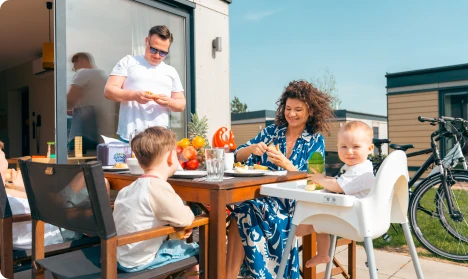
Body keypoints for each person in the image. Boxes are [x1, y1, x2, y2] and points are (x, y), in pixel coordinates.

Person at [226, 80, 335, 279]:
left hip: (297, 203)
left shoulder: (315, 140)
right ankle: (229, 276)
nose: (291, 114)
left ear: (310, 111)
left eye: (298, 109)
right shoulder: (271, 132)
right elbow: (235, 156)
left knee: (244, 211)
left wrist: (288, 166)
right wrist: (252, 149)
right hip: (266, 198)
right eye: (288, 108)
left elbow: (315, 181)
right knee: (242, 210)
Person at [113, 127, 198, 277]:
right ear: (171, 157)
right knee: (196, 250)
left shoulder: (126, 190)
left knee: (172, 245)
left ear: (139, 163)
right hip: (141, 262)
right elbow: (185, 218)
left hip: (120, 258)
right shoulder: (158, 187)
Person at [295, 121, 375, 268]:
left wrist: (320, 179)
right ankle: (322, 252)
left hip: (354, 222)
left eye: (356, 146)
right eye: (344, 146)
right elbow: (341, 181)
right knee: (320, 215)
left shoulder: (359, 171)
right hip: (358, 217)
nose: (349, 151)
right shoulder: (359, 167)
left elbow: (338, 187)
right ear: (338, 147)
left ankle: (311, 231)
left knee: (317, 218)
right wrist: (326, 180)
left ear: (370, 149)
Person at [104, 25, 186, 142]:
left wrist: (169, 102)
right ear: (146, 41)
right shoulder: (129, 61)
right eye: (153, 49)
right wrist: (134, 96)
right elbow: (109, 91)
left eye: (163, 53)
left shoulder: (171, 71)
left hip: (160, 140)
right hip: (130, 137)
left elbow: (181, 104)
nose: (157, 55)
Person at [0, 142, 79, 249]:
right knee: (85, 180)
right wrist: (27, 186)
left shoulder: (5, 195)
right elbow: (55, 205)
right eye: (4, 158)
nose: (7, 162)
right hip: (58, 233)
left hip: (57, 223)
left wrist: (21, 187)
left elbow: (29, 198)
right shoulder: (6, 201)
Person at [67, 52, 117, 146]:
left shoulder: (84, 73)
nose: (73, 68)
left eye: (74, 63)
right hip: (104, 136)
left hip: (86, 136)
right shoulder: (104, 78)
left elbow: (70, 100)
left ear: (80, 61)